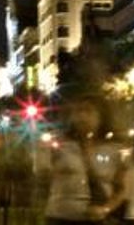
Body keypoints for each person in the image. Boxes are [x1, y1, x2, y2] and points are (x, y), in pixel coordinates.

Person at [44, 96, 122, 224]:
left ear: (101, 117)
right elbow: (43, 175)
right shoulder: (61, 146)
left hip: (94, 219)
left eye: (88, 111)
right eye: (78, 111)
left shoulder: (112, 150)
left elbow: (121, 188)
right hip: (60, 217)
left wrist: (106, 209)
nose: (82, 116)